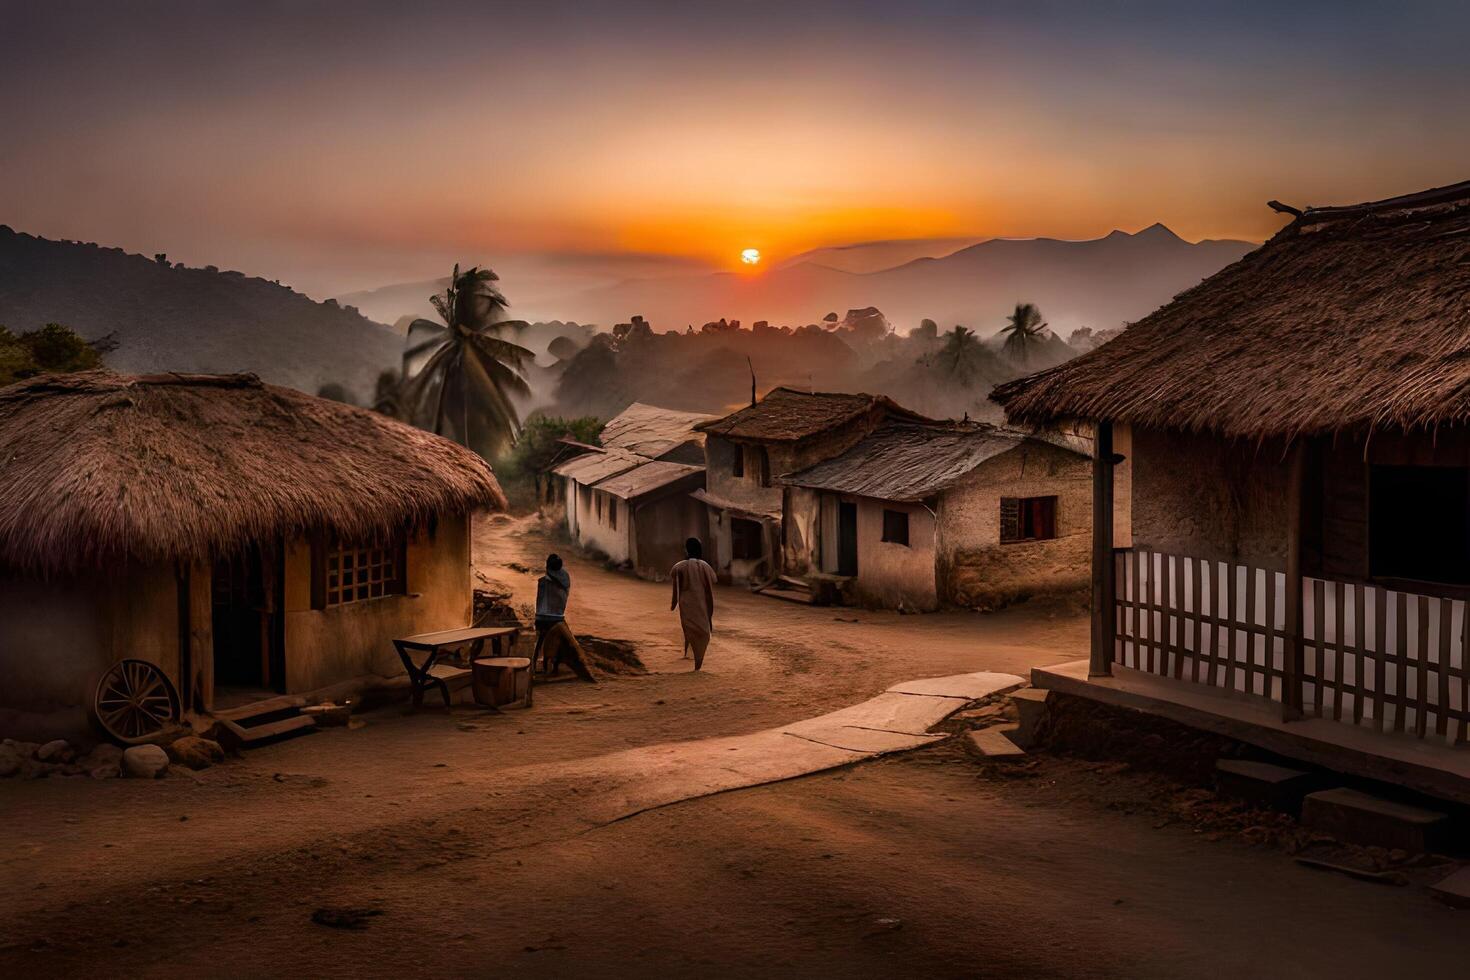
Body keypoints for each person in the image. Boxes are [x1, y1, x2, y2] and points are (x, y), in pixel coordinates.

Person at [670, 537, 716, 670]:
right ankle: (698, 664)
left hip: (686, 604)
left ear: (686, 550)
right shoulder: (705, 567)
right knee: (703, 633)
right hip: (700, 603)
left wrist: (673, 603)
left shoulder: (679, 566)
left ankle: (689, 655)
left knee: (688, 628)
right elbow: (713, 582)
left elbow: (675, 589)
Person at [534, 554, 570, 669]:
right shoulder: (566, 577)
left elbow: (539, 602)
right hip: (559, 618)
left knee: (539, 640)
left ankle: (534, 664)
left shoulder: (543, 582)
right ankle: (555, 666)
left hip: (543, 618)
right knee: (559, 641)